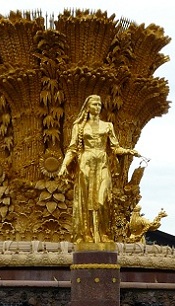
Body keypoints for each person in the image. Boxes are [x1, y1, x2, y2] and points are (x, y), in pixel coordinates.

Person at [57, 94, 139, 245]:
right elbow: (72, 149)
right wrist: (64, 165)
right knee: (86, 200)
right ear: (87, 107)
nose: (97, 107)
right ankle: (86, 234)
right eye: (94, 104)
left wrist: (127, 151)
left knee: (103, 199)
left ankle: (104, 233)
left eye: (99, 104)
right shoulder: (79, 127)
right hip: (86, 165)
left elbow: (115, 147)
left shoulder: (107, 126)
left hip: (102, 164)